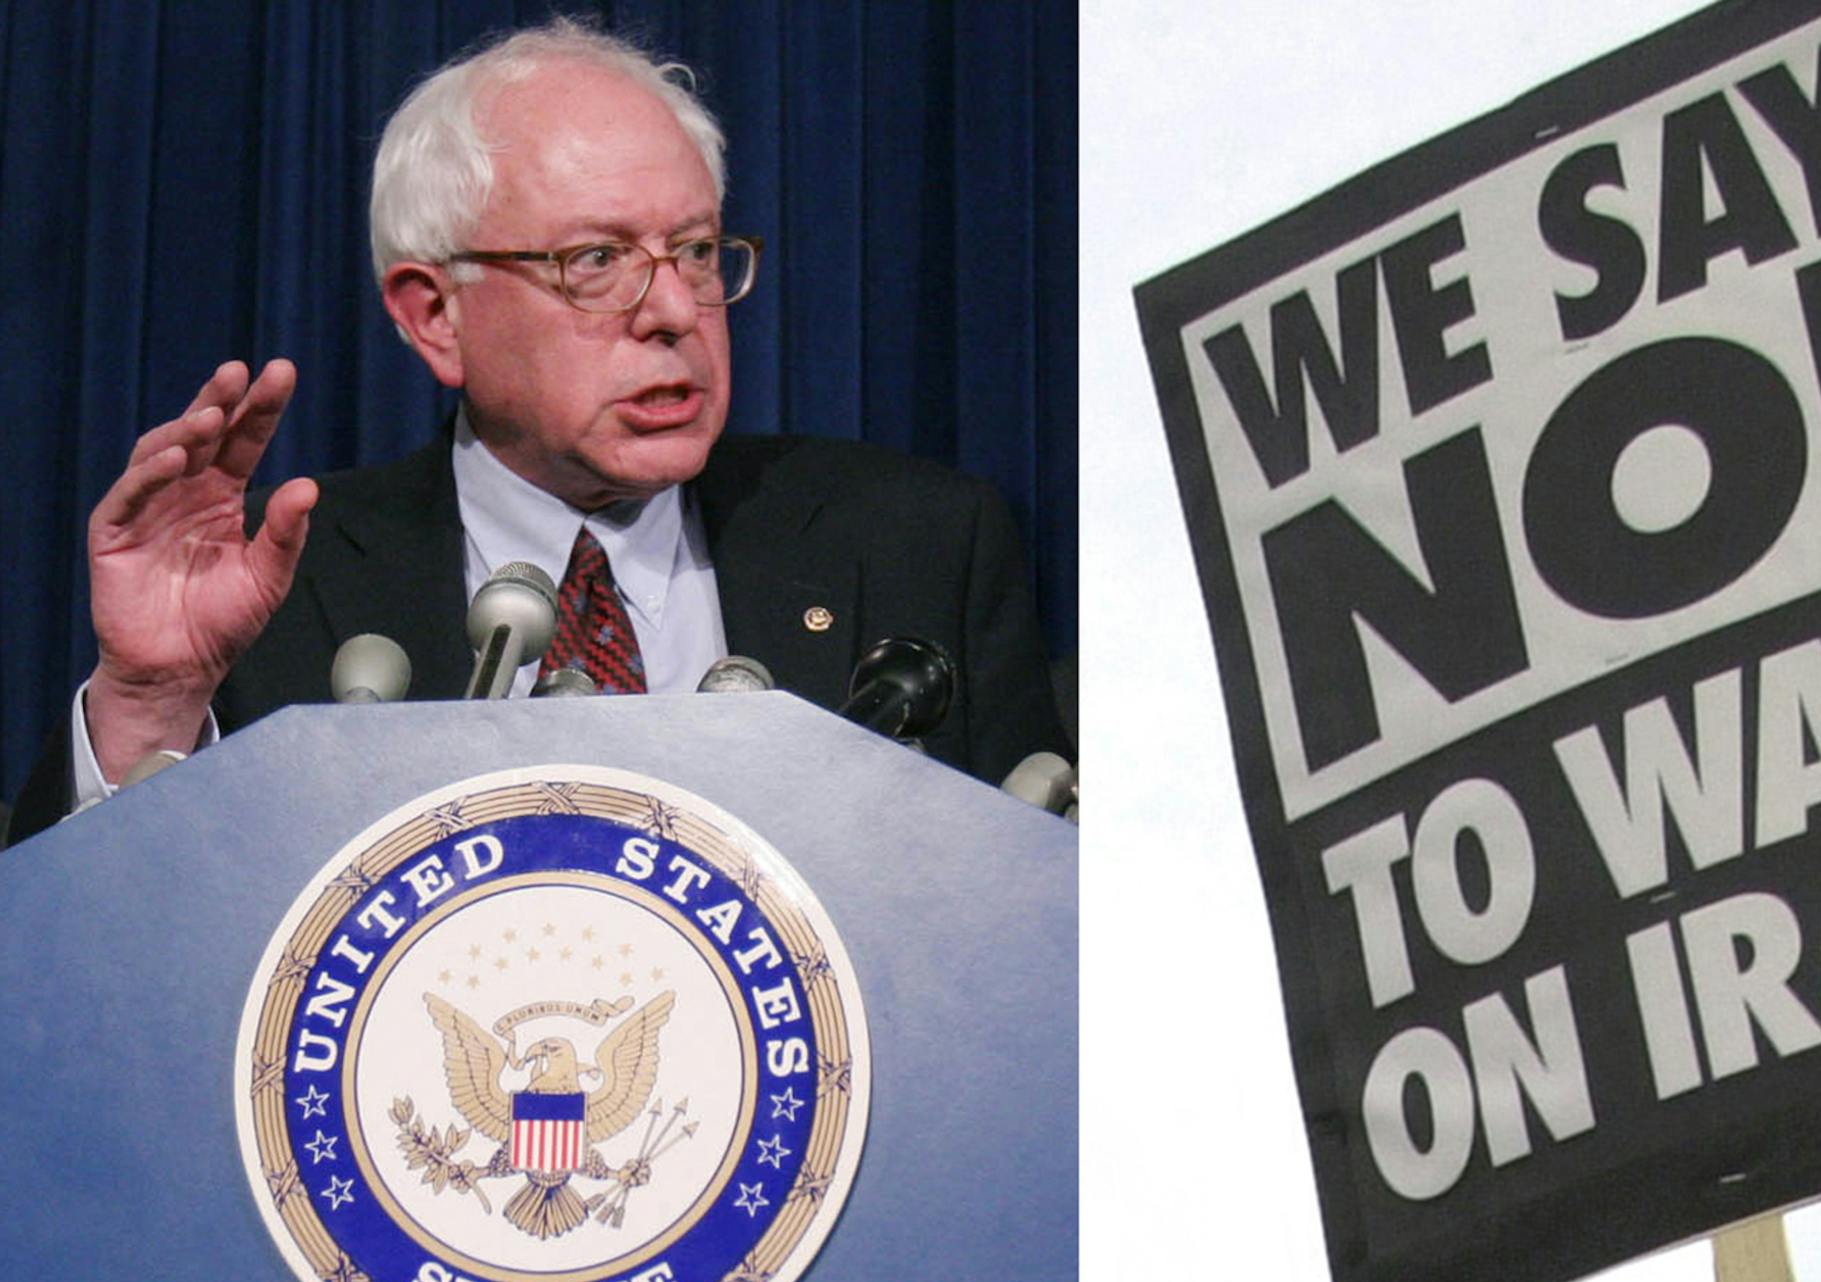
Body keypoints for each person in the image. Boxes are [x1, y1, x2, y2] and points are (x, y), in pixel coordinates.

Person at [4, 19, 1063, 845]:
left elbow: (1041, 934)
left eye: (696, 251)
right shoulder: (274, 595)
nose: (674, 309)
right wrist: (152, 700)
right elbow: (76, 980)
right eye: (596, 260)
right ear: (435, 314)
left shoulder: (923, 545)